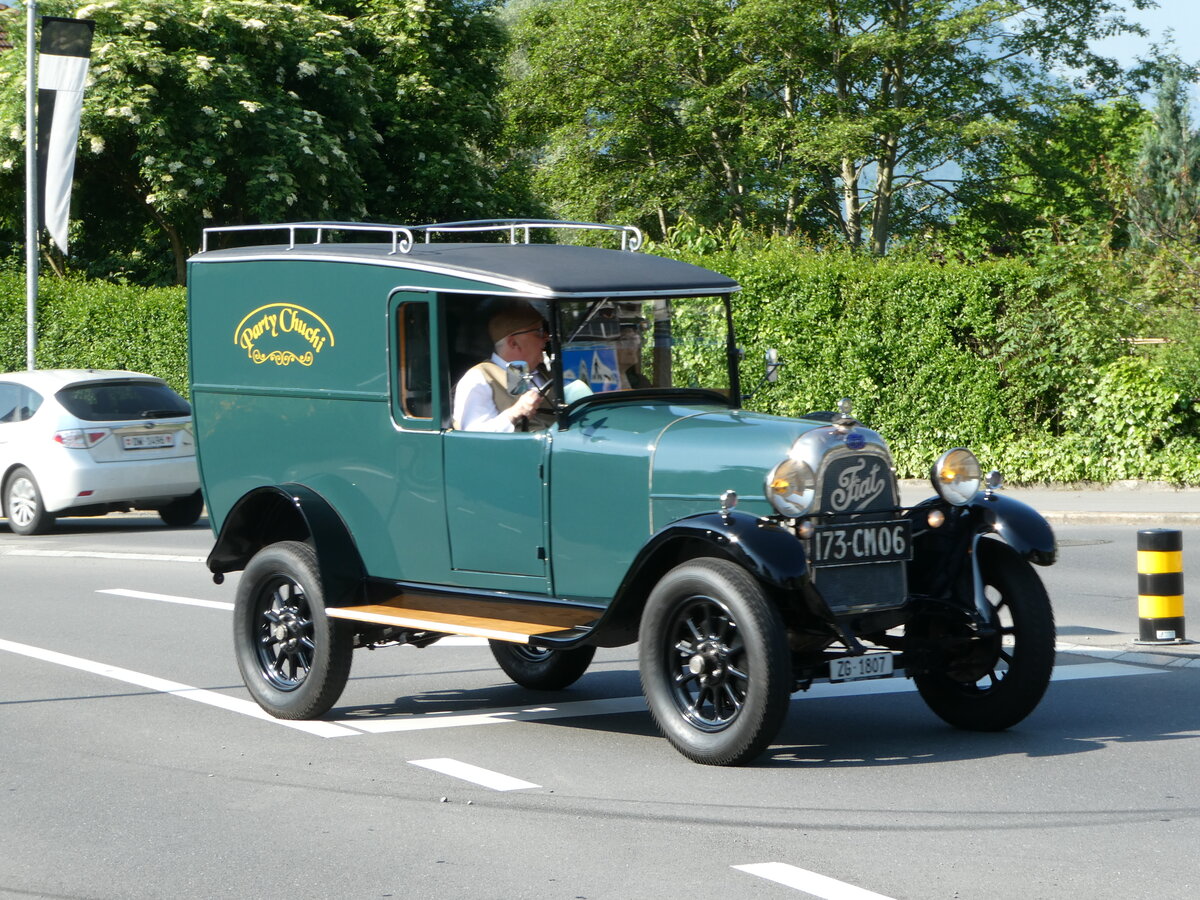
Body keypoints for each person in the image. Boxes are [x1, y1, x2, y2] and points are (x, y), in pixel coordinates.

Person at [452, 304, 556, 431]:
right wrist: (515, 412)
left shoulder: (541, 373)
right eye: (538, 332)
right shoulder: (479, 378)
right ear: (513, 343)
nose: (547, 338)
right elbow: (474, 437)